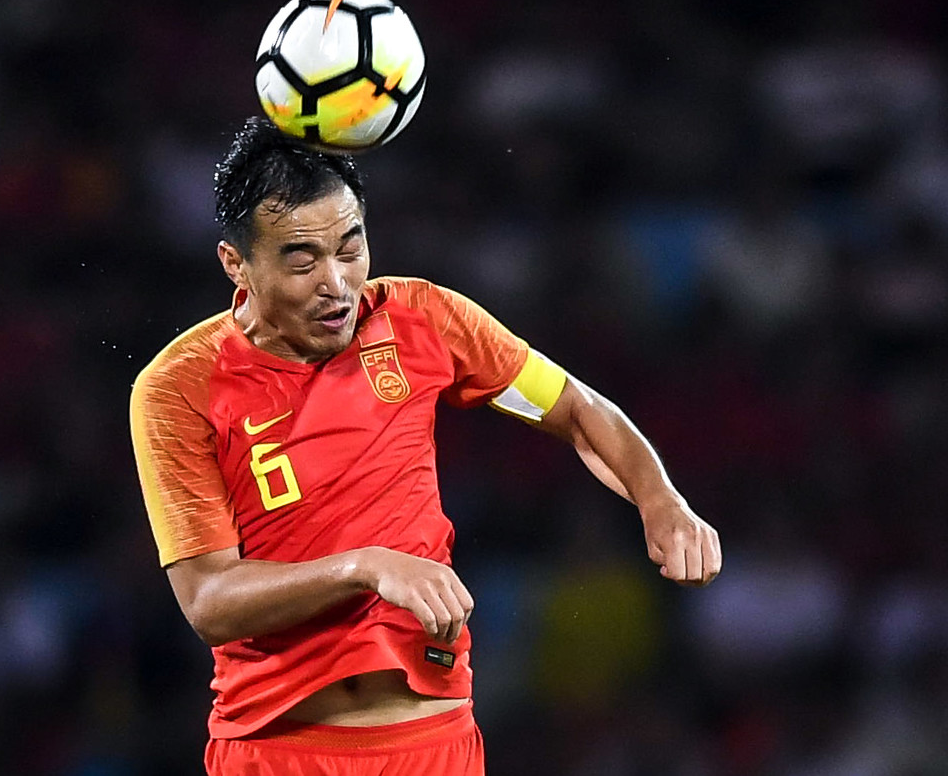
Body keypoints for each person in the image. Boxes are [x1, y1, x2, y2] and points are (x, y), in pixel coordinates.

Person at [129, 117, 722, 775]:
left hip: (431, 745)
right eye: (302, 259)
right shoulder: (178, 386)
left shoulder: (422, 320)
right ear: (235, 263)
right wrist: (366, 567)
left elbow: (578, 410)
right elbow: (209, 602)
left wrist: (660, 499)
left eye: (351, 247)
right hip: (274, 748)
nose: (337, 284)